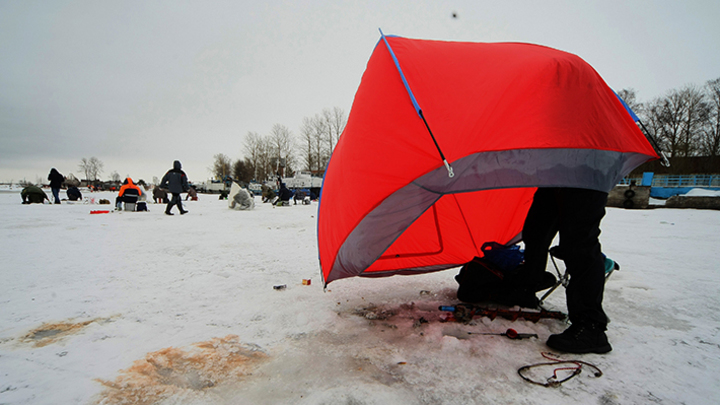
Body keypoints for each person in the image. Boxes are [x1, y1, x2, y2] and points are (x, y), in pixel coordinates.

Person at [512, 187, 611, 354]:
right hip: (556, 176)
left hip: (587, 177)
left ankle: (591, 326)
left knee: (579, 243)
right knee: (536, 232)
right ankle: (527, 288)